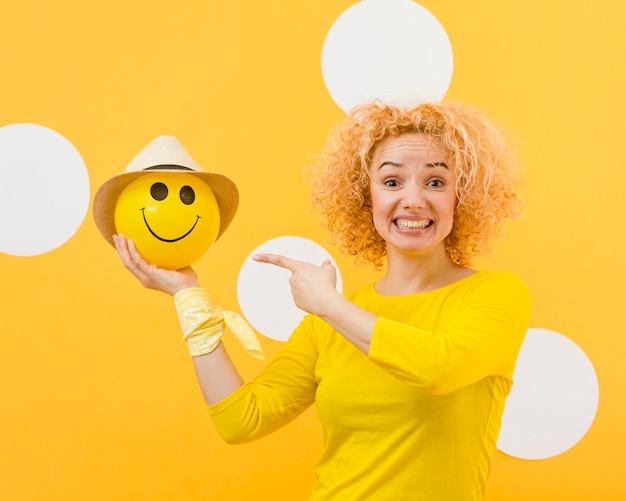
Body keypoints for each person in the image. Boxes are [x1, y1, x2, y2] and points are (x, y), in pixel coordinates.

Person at [113, 100, 531, 500]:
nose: (413, 199)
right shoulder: (328, 321)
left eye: (436, 181)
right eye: (391, 181)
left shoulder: (495, 295)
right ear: (365, 198)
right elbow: (242, 420)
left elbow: (439, 368)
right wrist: (187, 296)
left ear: (463, 196)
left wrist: (328, 304)